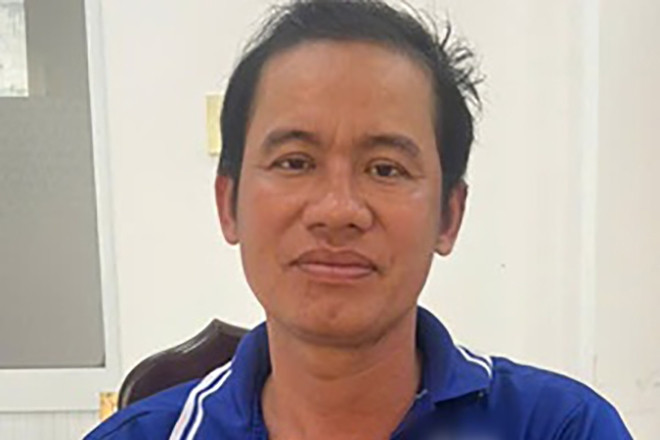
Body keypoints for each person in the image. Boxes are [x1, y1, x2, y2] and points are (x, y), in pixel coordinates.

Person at [87, 0, 633, 439]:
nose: (337, 210)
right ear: (228, 204)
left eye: (386, 169)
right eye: (295, 162)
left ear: (449, 215)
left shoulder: (562, 428)